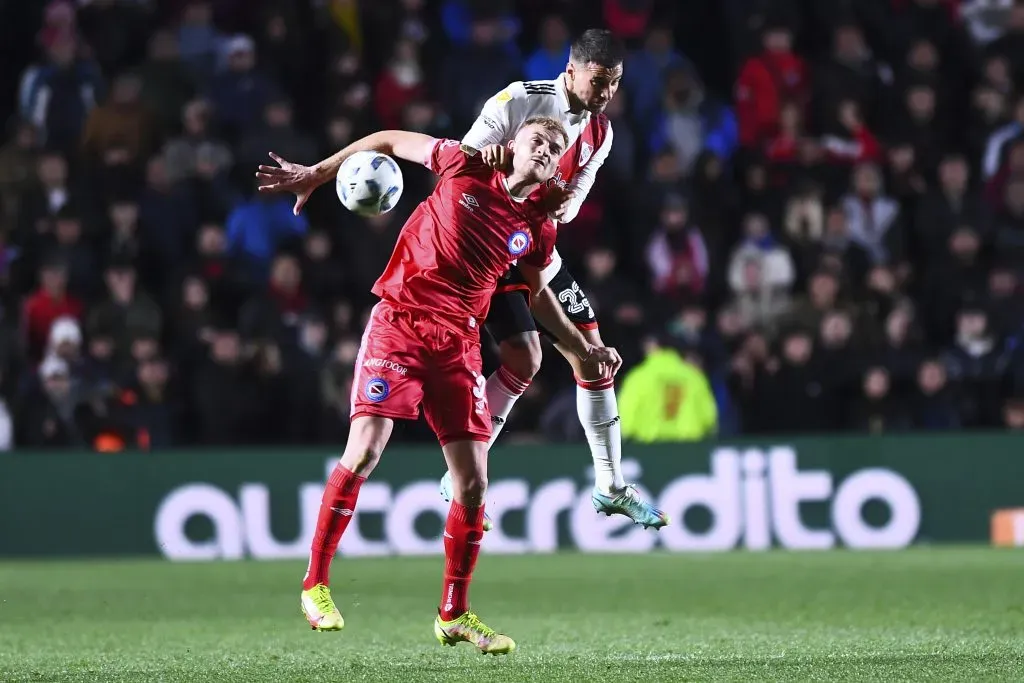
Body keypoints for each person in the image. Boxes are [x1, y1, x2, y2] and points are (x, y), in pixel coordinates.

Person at [255, 117, 621, 653]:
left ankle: (454, 613)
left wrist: (582, 347)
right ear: (513, 143)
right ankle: (315, 584)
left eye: (556, 147)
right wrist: (319, 172)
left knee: (473, 483)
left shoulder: (540, 222)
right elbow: (385, 141)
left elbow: (539, 295)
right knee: (365, 449)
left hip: (459, 344)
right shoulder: (462, 162)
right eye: (538, 140)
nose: (547, 150)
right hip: (400, 322)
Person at [439, 28, 669, 530]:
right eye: (599, 80)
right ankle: (458, 468)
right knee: (527, 356)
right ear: (572, 70)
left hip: (536, 246)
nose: (607, 92)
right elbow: (460, 168)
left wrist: (559, 206)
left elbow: (567, 207)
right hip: (488, 239)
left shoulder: (600, 133)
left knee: (594, 357)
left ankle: (609, 485)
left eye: (615, 82)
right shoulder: (519, 100)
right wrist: (504, 171)